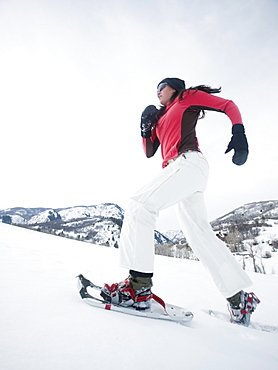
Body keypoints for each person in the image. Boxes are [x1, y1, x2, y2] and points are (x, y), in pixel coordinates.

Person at [101, 77, 260, 325]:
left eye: (161, 87)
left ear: (174, 87)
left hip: (189, 164)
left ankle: (138, 287)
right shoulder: (160, 118)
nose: (157, 92)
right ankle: (239, 299)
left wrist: (238, 132)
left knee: (140, 206)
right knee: (200, 237)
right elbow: (150, 151)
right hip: (180, 171)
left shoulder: (188, 97)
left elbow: (228, 105)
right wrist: (146, 128)